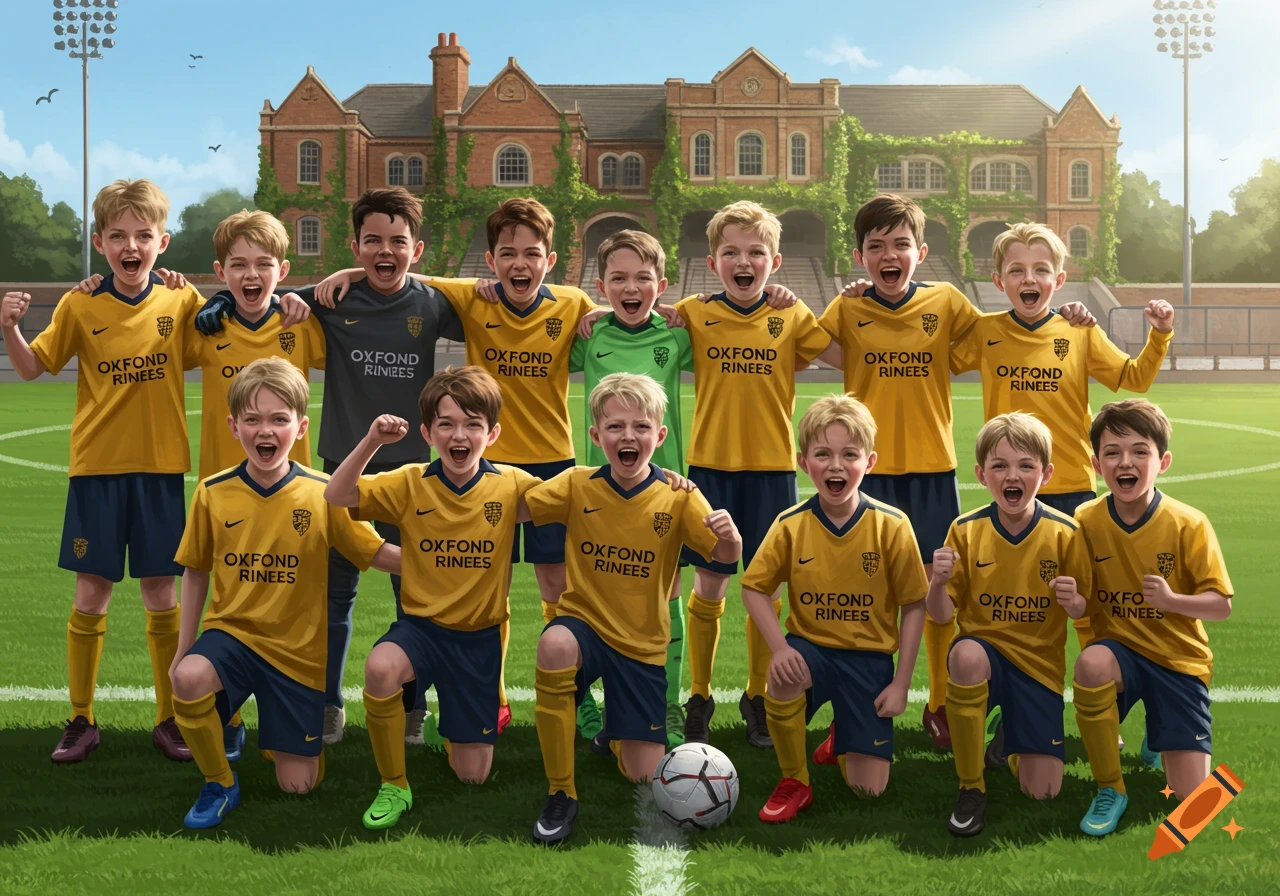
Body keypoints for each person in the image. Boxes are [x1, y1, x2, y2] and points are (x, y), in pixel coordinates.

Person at [2, 178, 203, 763]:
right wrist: (9, 326)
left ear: (162, 242)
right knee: (91, 592)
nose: (130, 244)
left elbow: (232, 332)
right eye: (118, 235)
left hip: (162, 467)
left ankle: (168, 718)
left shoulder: (181, 301)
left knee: (161, 592)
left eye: (143, 234)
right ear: (100, 242)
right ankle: (82, 719)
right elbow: (32, 369)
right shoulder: (79, 302)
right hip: (96, 470)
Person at [168, 358, 400, 828]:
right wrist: (182, 649)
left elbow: (374, 553)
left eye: (279, 419)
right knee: (189, 678)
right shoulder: (213, 492)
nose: (265, 430)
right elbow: (195, 572)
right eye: (252, 419)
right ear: (234, 427)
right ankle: (219, 781)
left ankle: (280, 736)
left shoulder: (323, 493)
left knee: (299, 785)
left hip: (297, 654)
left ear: (301, 426)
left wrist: (441, 561)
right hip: (232, 637)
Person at [525, 373, 742, 844]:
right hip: (584, 626)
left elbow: (723, 561)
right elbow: (515, 503)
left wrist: (731, 541)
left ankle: (616, 733)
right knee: (555, 644)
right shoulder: (576, 484)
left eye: (641, 427)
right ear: (596, 436)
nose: (628, 436)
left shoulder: (680, 495)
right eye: (616, 426)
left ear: (659, 436)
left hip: (642, 644)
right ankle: (561, 791)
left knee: (643, 774)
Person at [324, 366, 540, 830]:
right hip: (420, 630)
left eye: (472, 424)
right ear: (427, 432)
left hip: (479, 641)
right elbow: (337, 493)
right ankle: (394, 784)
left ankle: (456, 723)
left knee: (473, 776)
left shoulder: (513, 486)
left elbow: (582, 495)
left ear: (493, 433)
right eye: (446, 423)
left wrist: (660, 477)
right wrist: (373, 442)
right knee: (381, 668)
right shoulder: (408, 480)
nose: (458, 435)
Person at [741, 394, 926, 822]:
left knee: (868, 790)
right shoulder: (790, 524)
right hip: (812, 651)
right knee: (783, 676)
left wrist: (900, 684)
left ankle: (844, 730)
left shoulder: (893, 526)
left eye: (849, 454)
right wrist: (780, 648)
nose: (836, 466)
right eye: (823, 454)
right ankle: (795, 779)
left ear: (870, 461)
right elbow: (753, 589)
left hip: (869, 659)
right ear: (804, 462)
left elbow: (915, 605)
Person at [1067, 399, 1233, 836]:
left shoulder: (1189, 523)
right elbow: (1084, 603)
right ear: (1096, 463)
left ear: (1164, 461)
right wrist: (1072, 602)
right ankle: (1110, 788)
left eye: (1140, 451)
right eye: (1113, 452)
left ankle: (1160, 732)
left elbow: (1221, 605)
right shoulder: (1085, 518)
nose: (1126, 462)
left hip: (1178, 661)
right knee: (1090, 664)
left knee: (1195, 799)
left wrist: (1174, 600)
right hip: (1120, 655)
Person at [926, 412, 1089, 837]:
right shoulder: (964, 530)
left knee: (1043, 792)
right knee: (964, 653)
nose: (1011, 475)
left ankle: (1009, 742)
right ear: (981, 474)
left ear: (1046, 473)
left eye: (1025, 465)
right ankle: (970, 786)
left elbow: (1085, 613)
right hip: (985, 659)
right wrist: (937, 582)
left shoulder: (1067, 534)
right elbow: (942, 616)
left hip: (1039, 669)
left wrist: (1075, 603)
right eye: (999, 465)